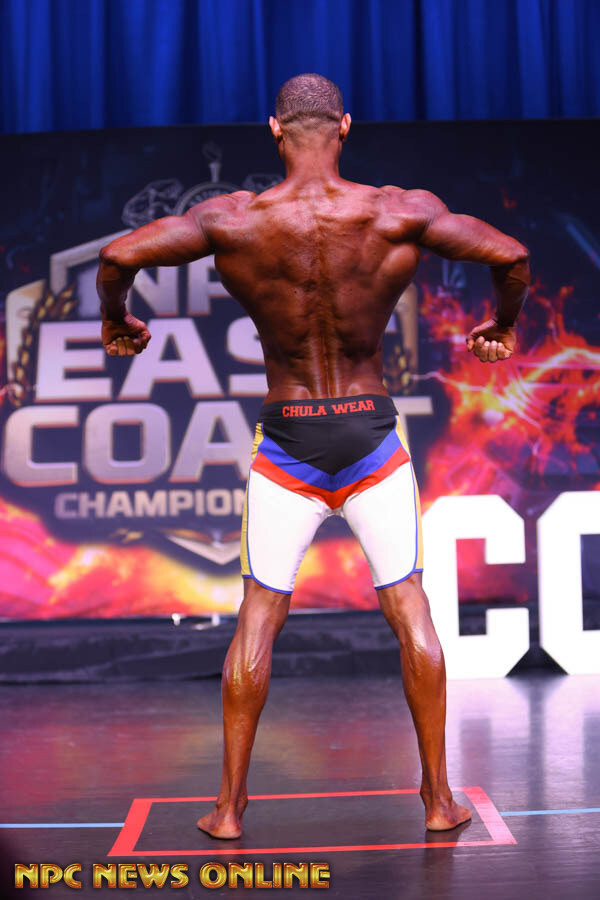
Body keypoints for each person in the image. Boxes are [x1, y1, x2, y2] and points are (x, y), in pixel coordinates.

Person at [97, 74, 530, 839]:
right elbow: (512, 254)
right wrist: (501, 323)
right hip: (370, 435)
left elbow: (118, 255)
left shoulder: (234, 218)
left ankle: (229, 809)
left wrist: (116, 321)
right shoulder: (397, 211)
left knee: (259, 617)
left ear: (275, 129)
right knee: (409, 606)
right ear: (345, 126)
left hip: (288, 440)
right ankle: (438, 799)